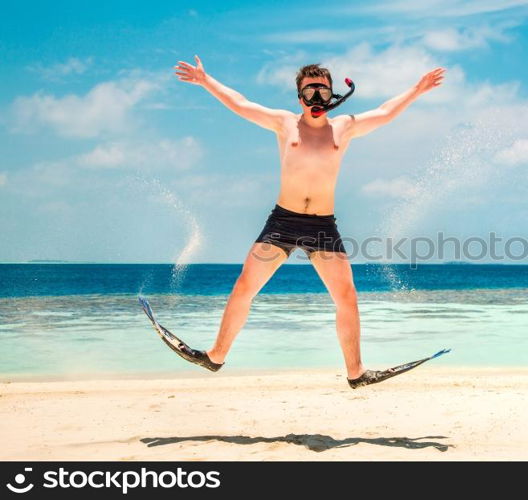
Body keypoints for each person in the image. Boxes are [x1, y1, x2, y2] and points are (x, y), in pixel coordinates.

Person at [172, 55, 445, 388]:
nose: (317, 98)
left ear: (333, 95)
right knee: (245, 287)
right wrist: (206, 81)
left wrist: (416, 89)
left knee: (346, 296)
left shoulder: (344, 127)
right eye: (310, 91)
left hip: (322, 226)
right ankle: (215, 356)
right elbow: (241, 104)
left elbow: (385, 112)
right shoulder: (285, 123)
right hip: (283, 223)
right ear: (299, 96)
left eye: (323, 91)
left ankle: (356, 372)